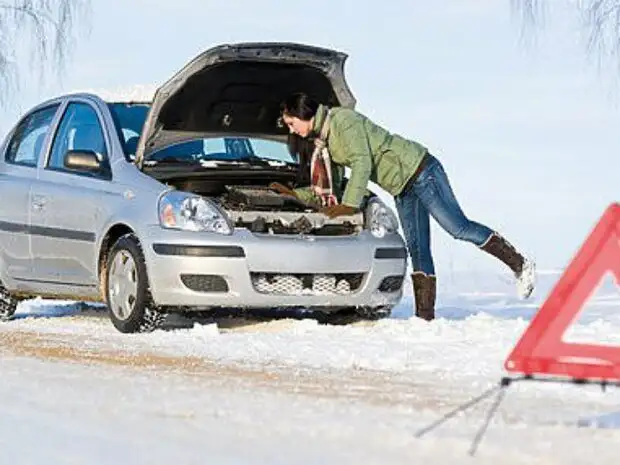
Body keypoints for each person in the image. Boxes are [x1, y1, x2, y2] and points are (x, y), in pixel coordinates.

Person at [271, 92, 535, 321]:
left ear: (304, 114)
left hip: (420, 170)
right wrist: (294, 194)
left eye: (292, 123)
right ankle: (425, 319)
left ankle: (520, 264)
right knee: (418, 248)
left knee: (457, 227)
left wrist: (350, 206)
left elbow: (362, 162)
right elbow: (335, 185)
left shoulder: (343, 121)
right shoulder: (324, 143)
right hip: (401, 187)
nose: (292, 130)